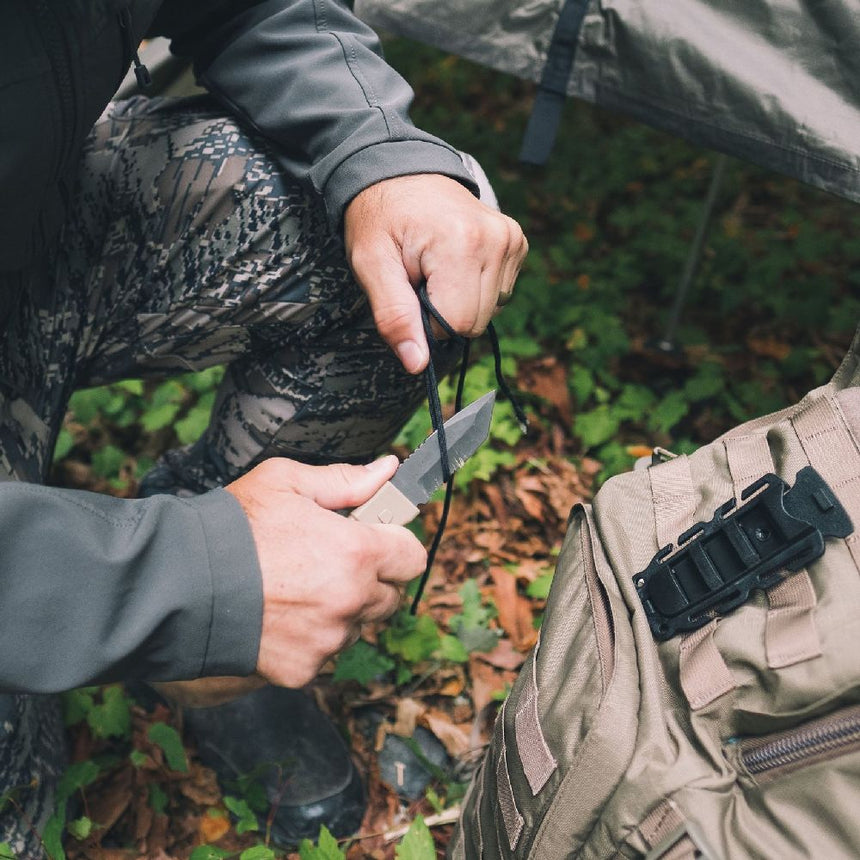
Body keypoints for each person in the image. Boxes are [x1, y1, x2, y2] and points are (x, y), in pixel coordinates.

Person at [0, 0, 527, 852]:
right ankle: (192, 616)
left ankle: (216, 659)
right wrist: (187, 579)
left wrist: (380, 155)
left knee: (369, 259)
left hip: (33, 216)